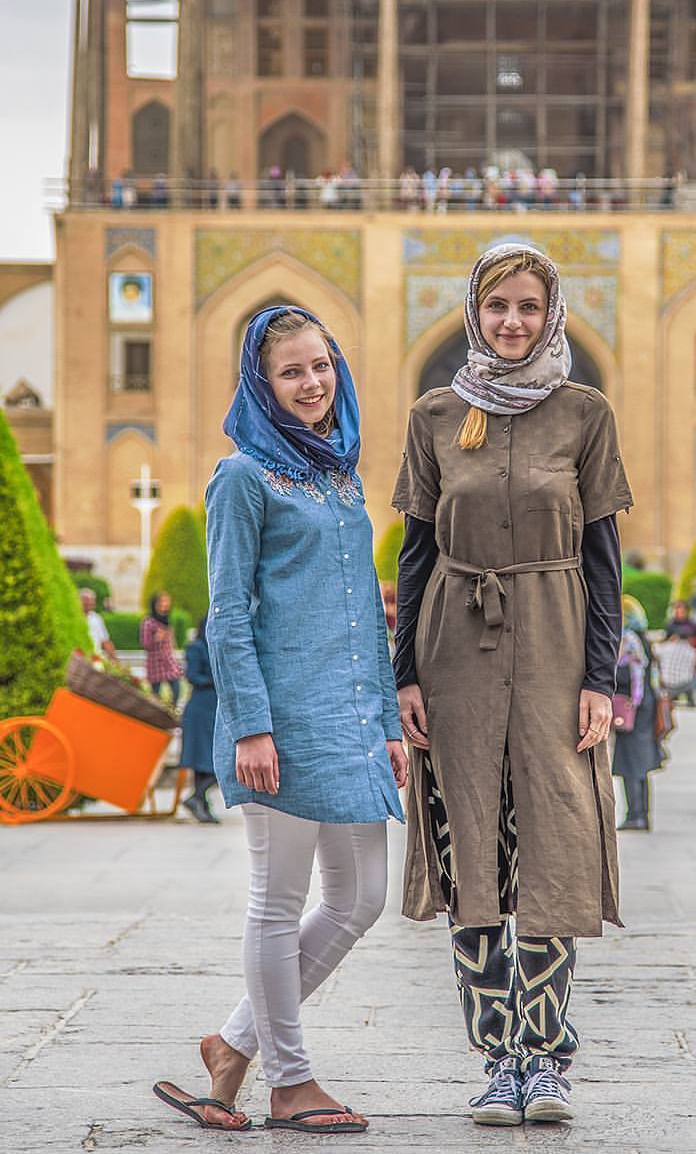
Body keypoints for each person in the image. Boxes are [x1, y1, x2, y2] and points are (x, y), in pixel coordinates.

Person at [391, 242, 632, 1127]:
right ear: (474, 313)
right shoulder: (434, 415)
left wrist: (598, 679)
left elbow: (605, 559)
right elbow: (416, 552)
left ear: (551, 311)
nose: (513, 322)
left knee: (551, 846)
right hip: (454, 645)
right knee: (474, 851)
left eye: (529, 306)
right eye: (498, 307)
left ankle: (550, 1056)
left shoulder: (585, 414)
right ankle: (498, 1058)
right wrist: (404, 676)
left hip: (558, 644)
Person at [153, 305, 407, 1136]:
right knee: (278, 899)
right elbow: (229, 612)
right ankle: (289, 1079)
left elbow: (365, 609)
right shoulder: (242, 477)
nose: (311, 384)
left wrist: (391, 720)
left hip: (350, 722)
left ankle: (230, 1045)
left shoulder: (339, 476)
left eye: (321, 366)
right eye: (291, 372)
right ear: (262, 385)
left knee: (362, 897)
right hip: (282, 723)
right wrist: (252, 725)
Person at [613, 599, 664, 830]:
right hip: (645, 707)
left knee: (630, 764)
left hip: (631, 709)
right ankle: (641, 813)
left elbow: (624, 677)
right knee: (640, 765)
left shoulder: (629, 641)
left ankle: (635, 814)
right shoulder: (643, 640)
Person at [179, 614, 220, 824]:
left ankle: (199, 800)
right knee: (202, 760)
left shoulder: (216, 646)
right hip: (200, 709)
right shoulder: (195, 647)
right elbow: (193, 676)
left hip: (212, 708)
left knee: (210, 759)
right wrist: (218, 679)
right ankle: (198, 799)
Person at [141, 593, 182, 708]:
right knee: (155, 693)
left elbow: (170, 641)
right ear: (155, 604)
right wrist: (156, 638)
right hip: (155, 661)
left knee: (176, 685)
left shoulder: (168, 619)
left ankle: (172, 709)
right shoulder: (148, 622)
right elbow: (145, 644)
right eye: (162, 602)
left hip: (168, 659)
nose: (165, 604)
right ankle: (157, 714)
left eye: (167, 601)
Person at [655, 628, 696, 708]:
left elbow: (655, 650)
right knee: (693, 677)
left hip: (667, 685)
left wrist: (660, 673)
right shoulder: (693, 652)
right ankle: (691, 701)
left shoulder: (666, 647)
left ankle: (669, 702)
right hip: (685, 685)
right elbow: (694, 670)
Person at [80, 588, 117, 661]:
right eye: (86, 599)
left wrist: (115, 660)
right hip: (79, 659)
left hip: (95, 659)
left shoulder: (96, 618)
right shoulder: (74, 618)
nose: (90, 602)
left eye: (92, 600)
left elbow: (105, 641)